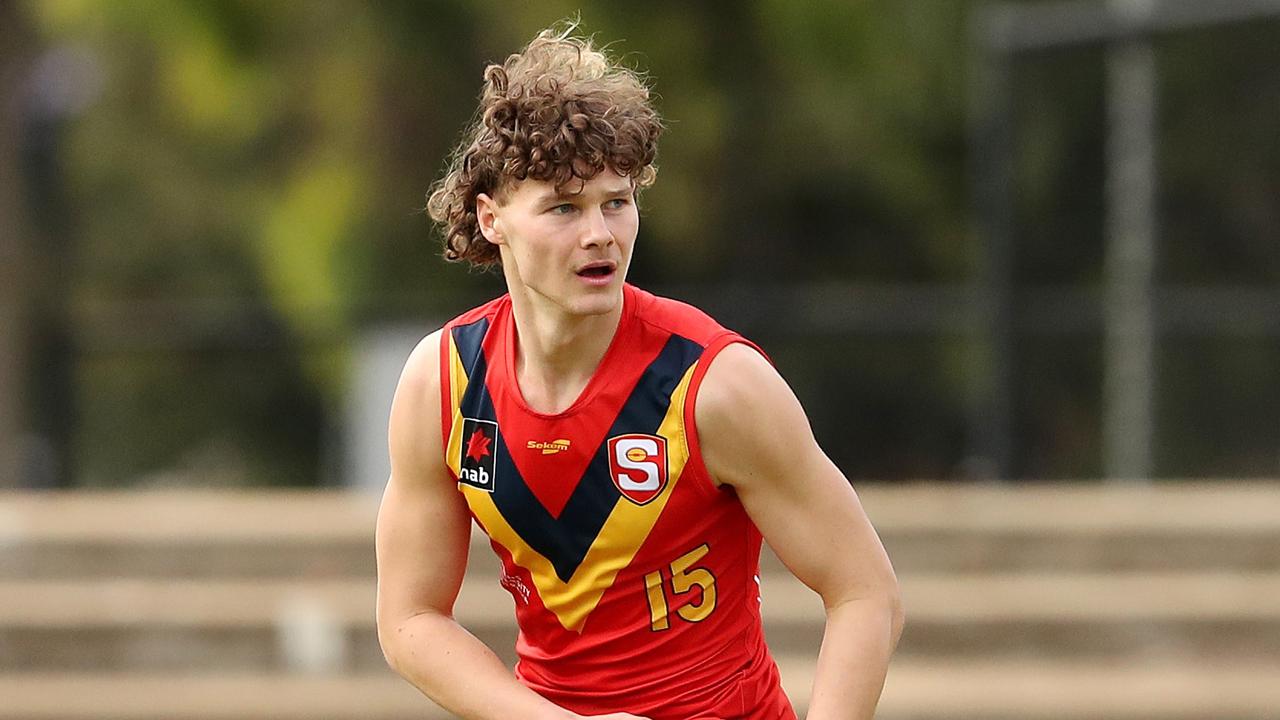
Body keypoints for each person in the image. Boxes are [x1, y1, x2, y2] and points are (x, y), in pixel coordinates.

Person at [375, 22, 903, 720]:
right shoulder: (442, 384)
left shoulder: (716, 384)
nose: (600, 234)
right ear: (491, 217)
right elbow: (409, 619)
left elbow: (866, 593)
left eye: (616, 203)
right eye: (564, 208)